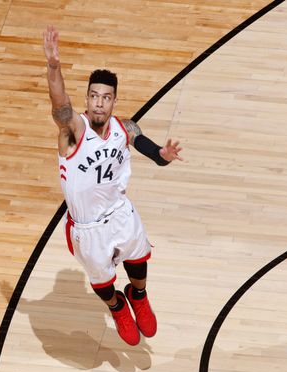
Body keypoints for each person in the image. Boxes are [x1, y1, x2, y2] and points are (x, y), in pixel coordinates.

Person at [42, 25, 184, 346]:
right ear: (87, 99)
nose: (98, 104)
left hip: (120, 212)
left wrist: (163, 154)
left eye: (105, 98)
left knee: (139, 260)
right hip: (88, 227)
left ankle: (138, 296)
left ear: (114, 102)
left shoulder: (125, 128)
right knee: (103, 280)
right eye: (93, 96)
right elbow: (59, 103)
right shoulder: (73, 130)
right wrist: (53, 66)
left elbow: (152, 151)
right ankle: (118, 306)